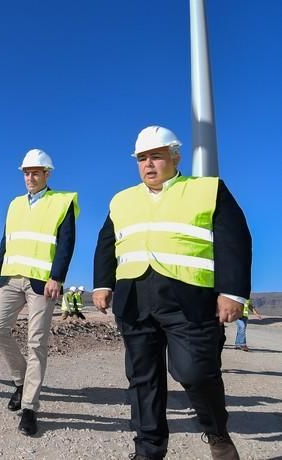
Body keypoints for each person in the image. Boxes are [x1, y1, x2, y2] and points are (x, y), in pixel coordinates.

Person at [92, 126, 252, 460]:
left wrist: (233, 293)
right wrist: (103, 284)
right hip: (134, 297)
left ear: (175, 156)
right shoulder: (121, 200)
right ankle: (149, 450)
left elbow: (234, 240)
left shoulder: (207, 190)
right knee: (142, 378)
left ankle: (216, 431)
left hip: (190, 299)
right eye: (142, 158)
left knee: (193, 371)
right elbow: (107, 243)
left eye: (156, 156)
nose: (148, 164)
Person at [0, 148, 78, 436]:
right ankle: (20, 380)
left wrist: (57, 277)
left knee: (36, 342)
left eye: (35, 172)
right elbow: (6, 240)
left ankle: (29, 407)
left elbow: (66, 243)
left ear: (46, 174)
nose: (29, 177)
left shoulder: (61, 202)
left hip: (42, 282)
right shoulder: (14, 204)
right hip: (11, 278)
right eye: (26, 172)